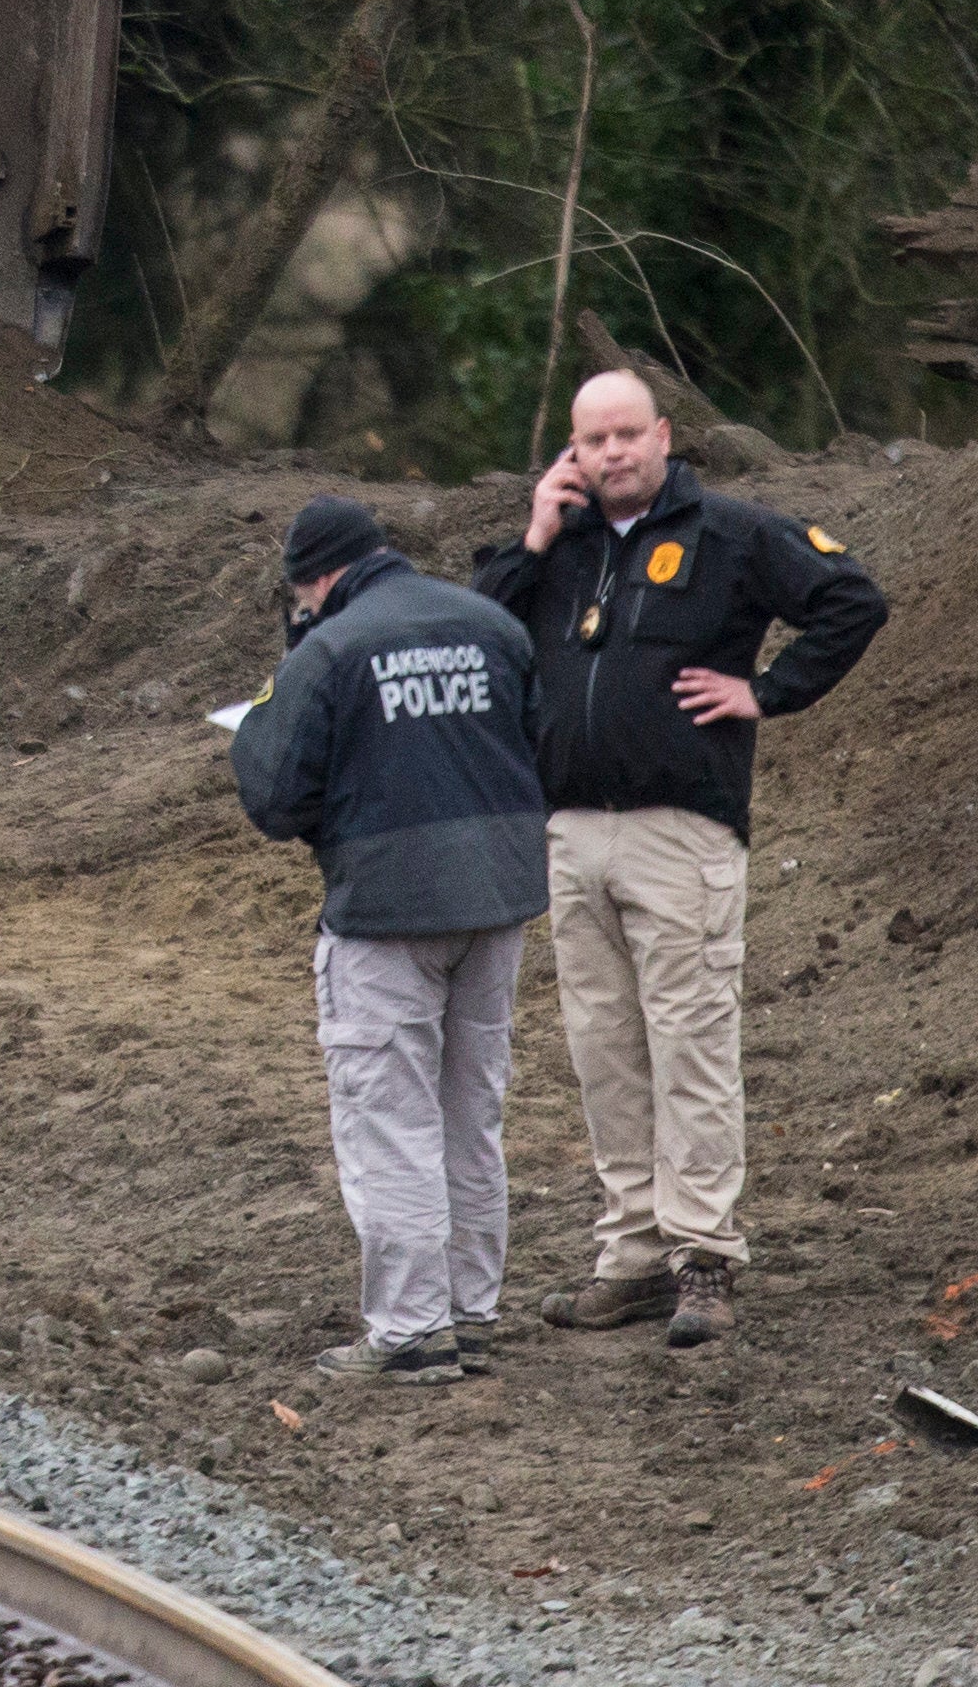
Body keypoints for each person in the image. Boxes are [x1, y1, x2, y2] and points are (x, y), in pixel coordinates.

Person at [472, 368, 889, 1348]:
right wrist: (533, 536)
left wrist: (770, 691)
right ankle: (632, 1255)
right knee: (603, 1051)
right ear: (570, 453)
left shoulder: (733, 533)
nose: (612, 454)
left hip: (681, 832)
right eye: (592, 440)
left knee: (690, 1044)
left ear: (664, 437)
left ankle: (704, 1256)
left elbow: (851, 600)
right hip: (571, 833)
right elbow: (480, 632)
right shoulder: (559, 547)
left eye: (627, 434)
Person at [229, 493, 550, 1384]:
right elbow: (541, 748)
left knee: (390, 1118)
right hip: (497, 903)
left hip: (384, 918)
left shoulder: (329, 647)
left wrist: (282, 689)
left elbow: (275, 794)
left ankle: (412, 1330)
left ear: (315, 582)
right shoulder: (491, 624)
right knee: (470, 1110)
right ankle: (473, 1310)